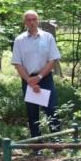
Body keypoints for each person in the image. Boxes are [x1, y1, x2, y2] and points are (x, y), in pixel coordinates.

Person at [12, 10, 61, 141]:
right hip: (27, 79)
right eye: (29, 20)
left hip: (45, 78)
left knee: (51, 109)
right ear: (25, 22)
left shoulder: (48, 37)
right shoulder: (19, 40)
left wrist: (39, 77)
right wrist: (29, 80)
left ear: (38, 20)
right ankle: (36, 144)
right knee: (33, 113)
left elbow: (53, 60)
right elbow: (17, 63)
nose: (32, 22)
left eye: (34, 19)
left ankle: (57, 141)